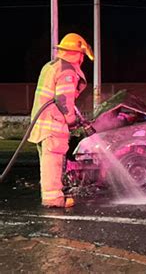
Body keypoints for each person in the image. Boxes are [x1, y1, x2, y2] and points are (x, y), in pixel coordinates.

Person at [28, 33, 93, 208]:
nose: (82, 60)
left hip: (42, 124)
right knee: (53, 163)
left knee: (48, 163)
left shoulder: (51, 66)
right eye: (82, 55)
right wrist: (72, 121)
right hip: (53, 125)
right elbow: (64, 100)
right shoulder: (68, 71)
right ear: (77, 54)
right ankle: (54, 201)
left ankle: (51, 197)